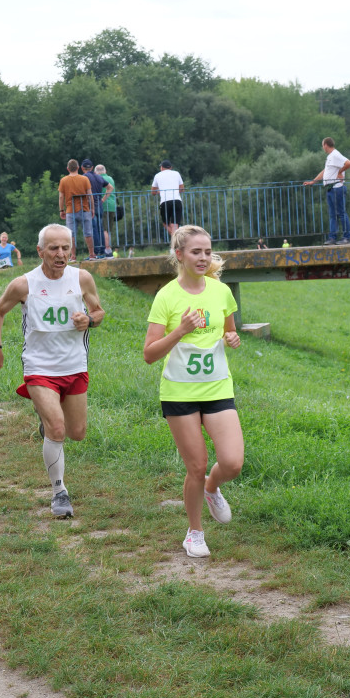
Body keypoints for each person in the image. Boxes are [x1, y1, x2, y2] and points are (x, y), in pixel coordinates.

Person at [0, 224, 105, 518]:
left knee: (76, 433)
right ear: (40, 252)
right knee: (58, 429)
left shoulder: (82, 278)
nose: (60, 254)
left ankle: (47, 422)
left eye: (65, 248)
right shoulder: (24, 284)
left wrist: (88, 320)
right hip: (40, 367)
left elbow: (99, 312)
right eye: (53, 248)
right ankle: (59, 493)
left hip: (75, 365)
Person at [143, 225, 244, 558]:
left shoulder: (220, 292)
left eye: (207, 252)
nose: (203, 258)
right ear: (179, 255)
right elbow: (150, 353)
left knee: (232, 463)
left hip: (217, 386)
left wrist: (232, 339)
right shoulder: (167, 296)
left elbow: (229, 332)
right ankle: (195, 533)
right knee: (196, 466)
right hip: (179, 392)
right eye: (195, 252)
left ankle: (213, 489)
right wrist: (181, 331)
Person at [304, 137, 350, 245]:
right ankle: (332, 238)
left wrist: (340, 172)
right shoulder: (330, 157)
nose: (323, 148)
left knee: (341, 213)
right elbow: (325, 171)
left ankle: (346, 237)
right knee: (332, 215)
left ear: (326, 145)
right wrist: (313, 182)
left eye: (323, 146)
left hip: (337, 188)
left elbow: (349, 163)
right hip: (330, 189)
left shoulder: (335, 154)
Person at [58, 159, 95, 262]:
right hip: (84, 209)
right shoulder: (84, 179)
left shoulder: (64, 180)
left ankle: (73, 256)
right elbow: (90, 195)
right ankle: (91, 254)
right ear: (78, 168)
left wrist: (61, 210)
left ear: (68, 169)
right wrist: (92, 208)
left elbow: (61, 197)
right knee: (88, 233)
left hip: (70, 210)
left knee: (71, 234)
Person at [81, 159, 109, 259]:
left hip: (89, 207)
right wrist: (103, 199)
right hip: (99, 206)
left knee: (93, 229)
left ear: (82, 168)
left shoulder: (83, 177)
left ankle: (96, 252)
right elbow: (110, 188)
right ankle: (102, 252)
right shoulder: (98, 177)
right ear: (92, 168)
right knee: (100, 228)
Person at [151, 160, 184, 240]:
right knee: (175, 225)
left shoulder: (157, 175)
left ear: (161, 167)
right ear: (171, 167)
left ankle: (175, 241)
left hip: (165, 202)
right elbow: (182, 189)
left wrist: (161, 191)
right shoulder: (177, 173)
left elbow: (153, 192)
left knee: (165, 223)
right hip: (177, 200)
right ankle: (177, 239)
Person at [95, 164, 117, 257]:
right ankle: (108, 247)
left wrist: (102, 200)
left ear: (96, 172)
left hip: (103, 205)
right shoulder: (111, 179)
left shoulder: (98, 179)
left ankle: (107, 250)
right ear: (105, 171)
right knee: (108, 229)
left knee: (103, 229)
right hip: (112, 205)